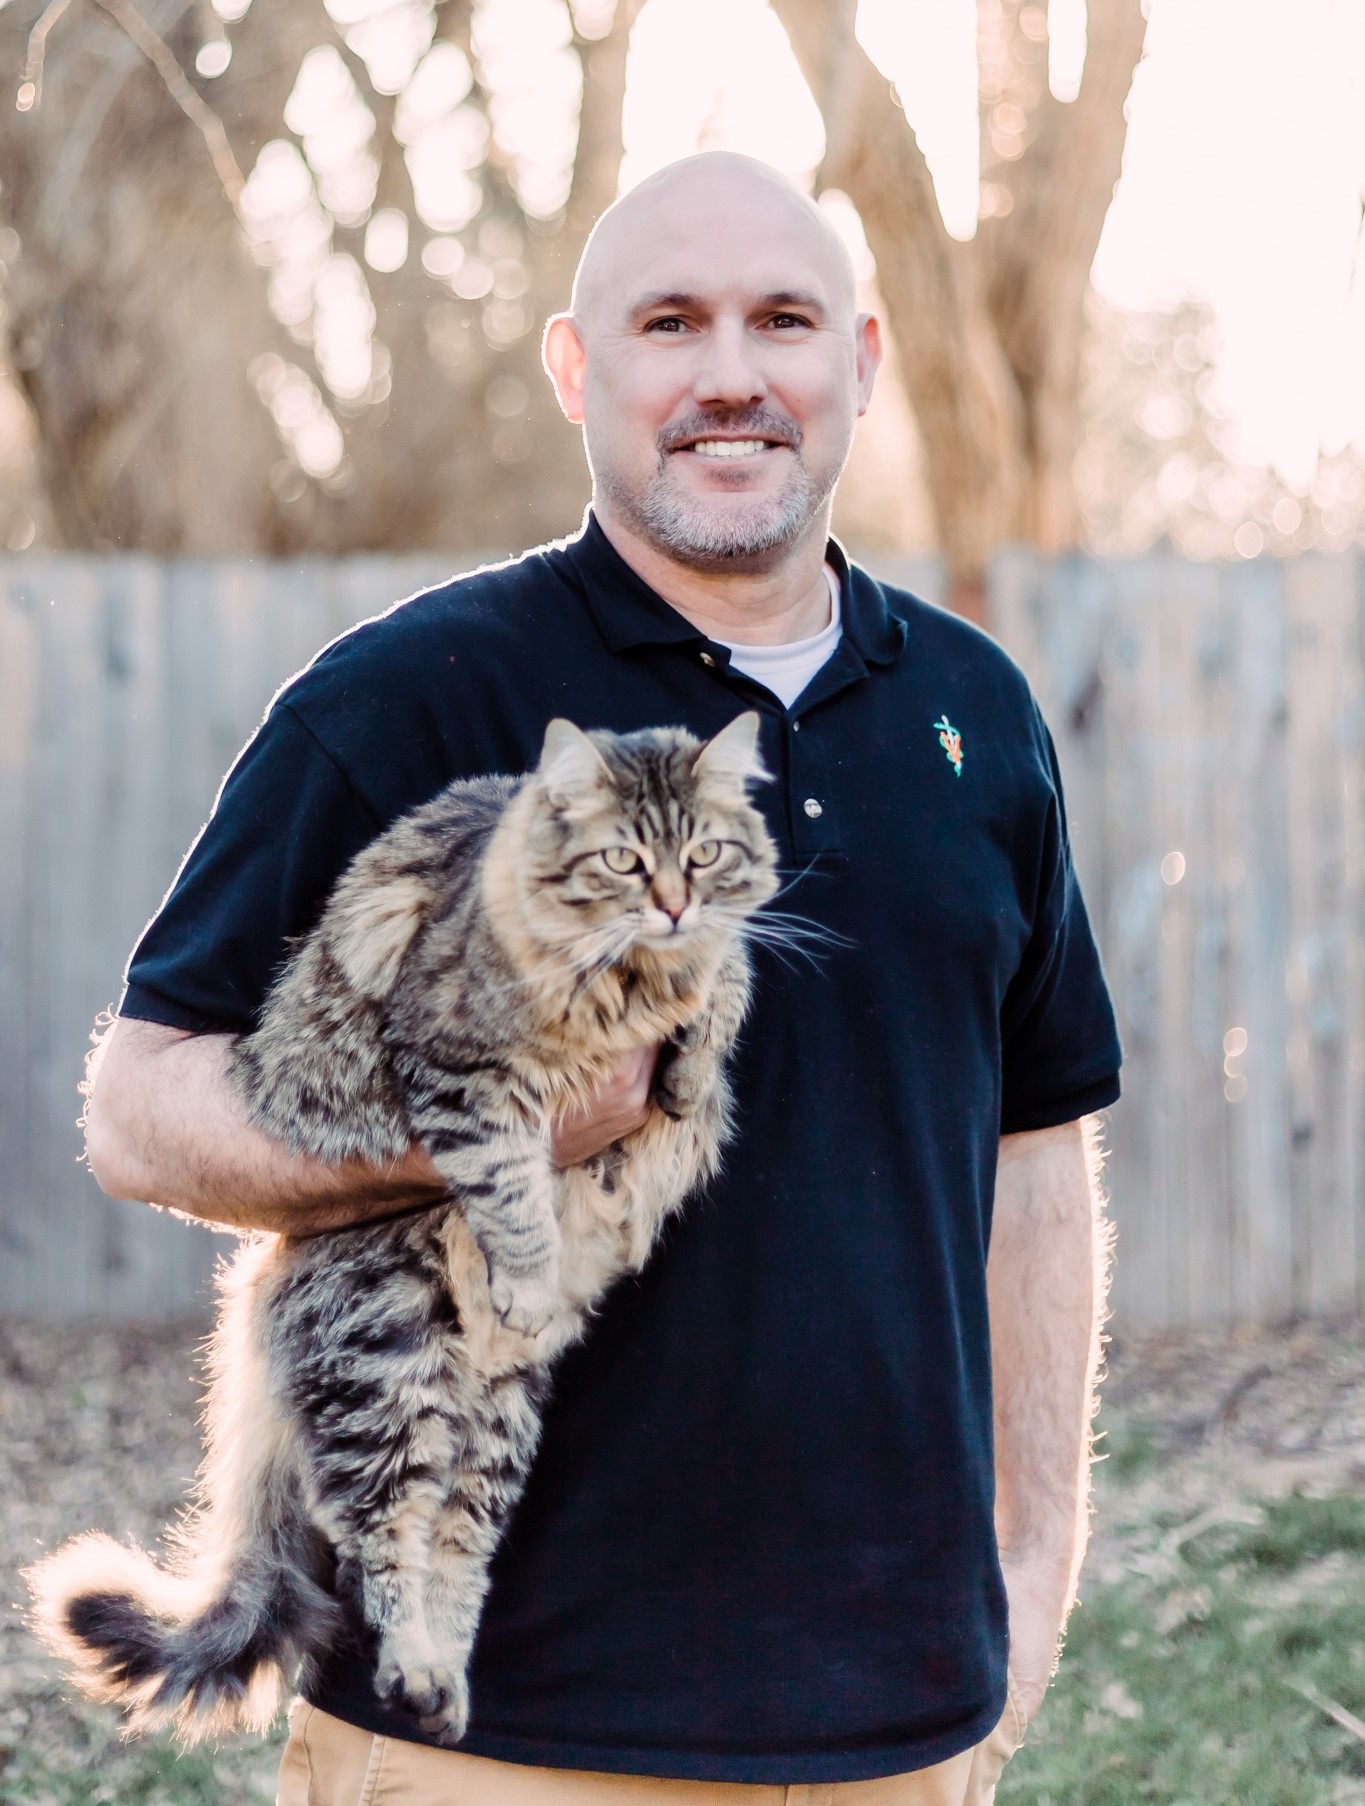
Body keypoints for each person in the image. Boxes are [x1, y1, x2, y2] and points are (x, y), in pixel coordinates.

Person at [84, 153, 1121, 1806]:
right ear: (578, 368)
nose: (732, 373)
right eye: (670, 322)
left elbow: (1037, 1148)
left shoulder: (977, 715)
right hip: (495, 1737)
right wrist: (472, 1128)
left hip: (905, 1728)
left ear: (858, 361)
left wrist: (1033, 1561)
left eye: (782, 320)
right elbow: (139, 1109)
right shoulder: (410, 693)